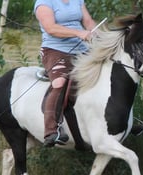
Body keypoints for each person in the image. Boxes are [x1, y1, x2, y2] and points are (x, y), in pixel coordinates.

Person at [34, 0, 97, 147]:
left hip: (82, 48)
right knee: (60, 82)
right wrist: (78, 32)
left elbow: (88, 21)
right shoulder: (44, 2)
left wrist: (97, 34)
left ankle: (123, 118)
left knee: (109, 69)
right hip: (55, 50)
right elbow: (50, 28)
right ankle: (51, 130)